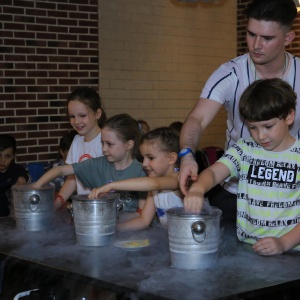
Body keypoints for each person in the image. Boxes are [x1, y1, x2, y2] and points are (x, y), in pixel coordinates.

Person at [179, 0, 300, 221]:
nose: (256, 45)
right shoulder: (230, 73)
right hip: (236, 190)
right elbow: (197, 118)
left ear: (288, 38)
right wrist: (187, 154)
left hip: (289, 193)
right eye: (251, 34)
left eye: (267, 38)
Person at [184, 78, 300, 256]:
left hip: (291, 250)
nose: (261, 136)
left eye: (268, 126)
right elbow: (214, 173)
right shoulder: (245, 150)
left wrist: (284, 242)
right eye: (253, 127)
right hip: (249, 248)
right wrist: (198, 189)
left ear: (289, 116)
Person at [32, 114, 147, 217]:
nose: (104, 149)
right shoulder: (98, 164)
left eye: (109, 144)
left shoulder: (141, 172)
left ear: (129, 145)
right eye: (102, 143)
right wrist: (36, 186)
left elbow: (142, 214)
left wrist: (113, 224)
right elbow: (61, 170)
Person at [89, 127, 183, 232]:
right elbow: (143, 220)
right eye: (143, 158)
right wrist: (111, 229)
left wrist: (110, 185)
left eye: (150, 158)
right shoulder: (155, 187)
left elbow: (154, 184)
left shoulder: (179, 178)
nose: (144, 164)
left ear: (171, 158)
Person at [54, 87, 106, 210]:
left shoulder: (107, 140)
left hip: (103, 206)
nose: (77, 121)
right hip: (84, 208)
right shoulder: (76, 141)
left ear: (97, 114)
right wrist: (55, 205)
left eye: (82, 115)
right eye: (72, 116)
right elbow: (72, 179)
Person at [0, 134, 28, 216]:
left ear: (13, 156)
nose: (2, 160)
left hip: (12, 219)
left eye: (7, 156)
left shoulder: (19, 172)